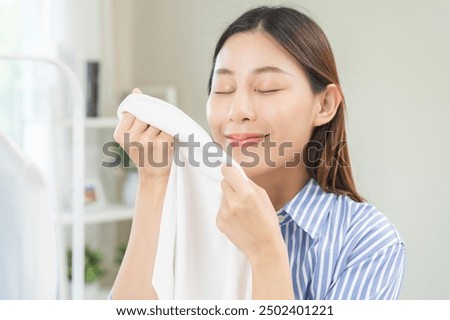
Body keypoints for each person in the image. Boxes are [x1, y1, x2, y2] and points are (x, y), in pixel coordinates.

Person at [111, 6, 405, 300]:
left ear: (325, 104)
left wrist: (265, 252)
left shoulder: (368, 241)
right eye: (224, 89)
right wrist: (152, 181)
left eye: (267, 88)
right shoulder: (184, 211)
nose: (238, 111)